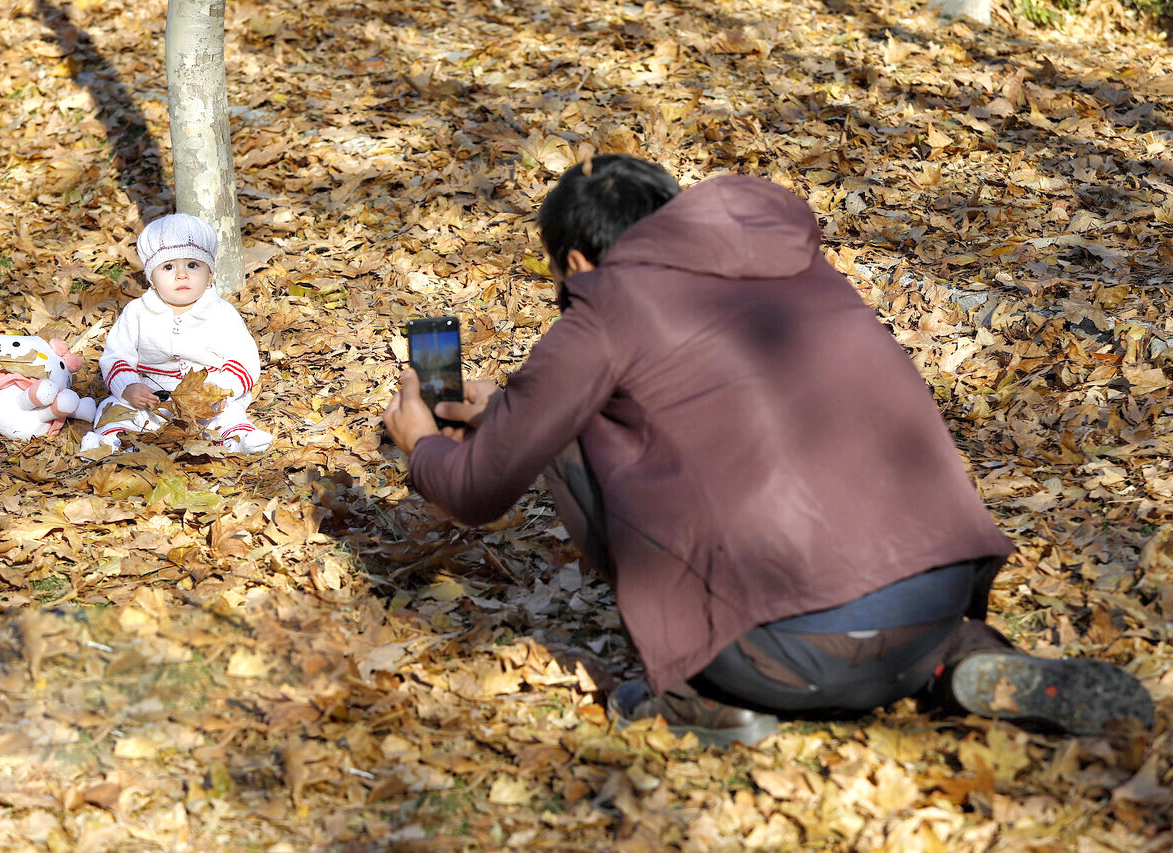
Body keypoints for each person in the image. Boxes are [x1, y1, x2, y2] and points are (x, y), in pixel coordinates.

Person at [383, 155, 1153, 746]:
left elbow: (480, 491)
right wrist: (513, 404)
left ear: (577, 265)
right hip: (934, 607)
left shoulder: (604, 308)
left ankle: (701, 694)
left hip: (781, 655)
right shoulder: (798, 269)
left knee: (569, 428)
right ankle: (960, 661)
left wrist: (423, 445)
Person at [80, 213, 273, 454]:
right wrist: (129, 386)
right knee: (114, 407)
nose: (182, 275)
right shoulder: (138, 312)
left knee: (227, 413)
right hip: (152, 395)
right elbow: (117, 355)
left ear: (209, 273)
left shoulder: (222, 313)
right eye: (168, 267)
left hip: (207, 397)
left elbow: (243, 359)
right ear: (152, 278)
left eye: (193, 265)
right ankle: (111, 444)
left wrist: (216, 390)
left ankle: (238, 439)